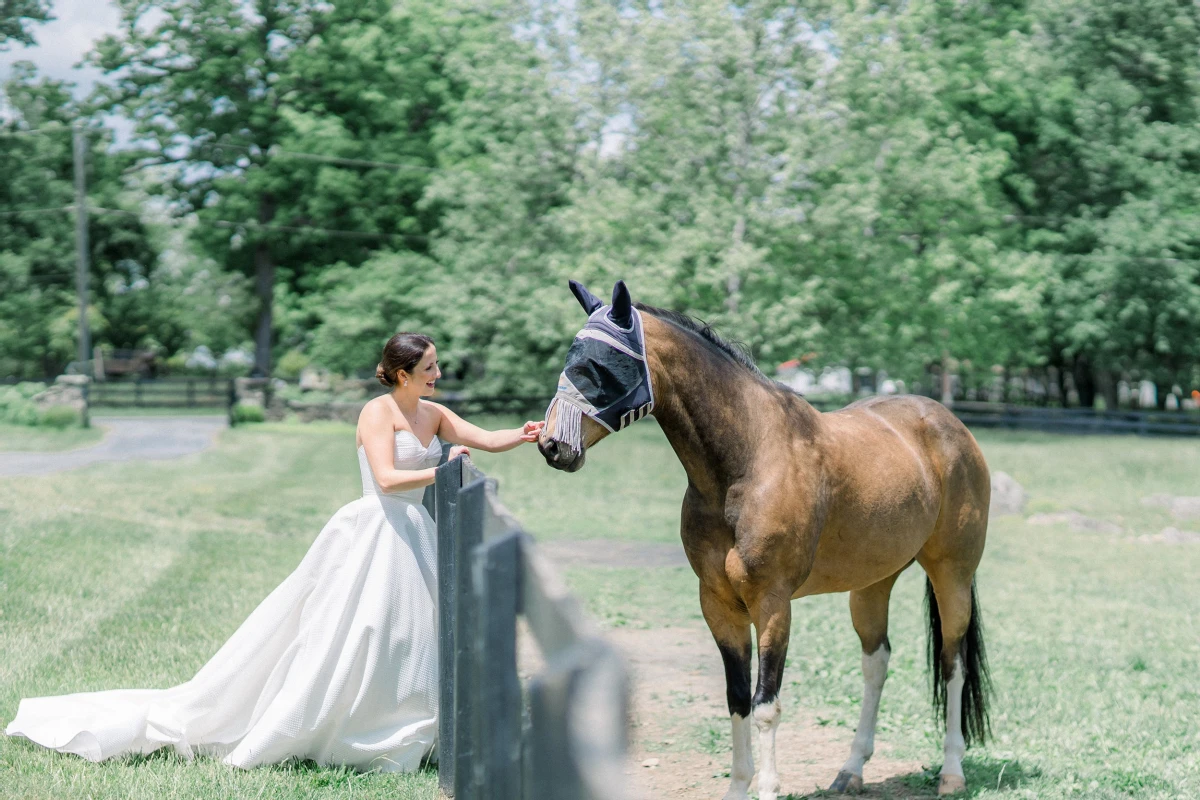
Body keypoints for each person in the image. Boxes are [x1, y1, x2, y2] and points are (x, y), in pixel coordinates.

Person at [5, 333, 544, 772]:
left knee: (412, 632)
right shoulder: (377, 414)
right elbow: (386, 476)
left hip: (414, 531)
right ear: (402, 372)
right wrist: (443, 470)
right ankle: (341, 724)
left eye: (437, 366)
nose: (438, 374)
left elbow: (484, 438)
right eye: (430, 366)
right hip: (376, 527)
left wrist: (521, 435)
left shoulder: (433, 413)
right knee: (361, 630)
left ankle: (406, 721)